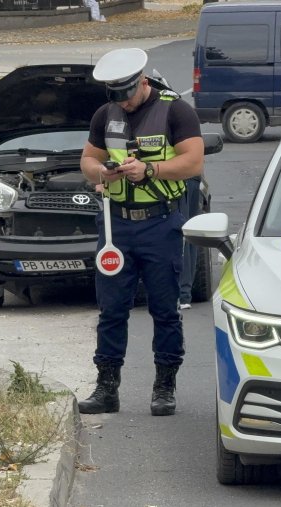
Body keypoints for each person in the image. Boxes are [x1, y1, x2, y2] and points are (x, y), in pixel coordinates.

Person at [79, 48, 204, 416]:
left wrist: (149, 171)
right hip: (116, 225)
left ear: (143, 82)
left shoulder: (175, 110)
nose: (123, 102)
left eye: (127, 93)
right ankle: (107, 387)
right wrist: (100, 173)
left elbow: (193, 161)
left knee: (164, 309)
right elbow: (88, 158)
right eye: (114, 95)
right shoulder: (106, 114)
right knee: (111, 310)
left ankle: (164, 385)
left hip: (159, 223)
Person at [177, 175, 201, 309]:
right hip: (192, 177)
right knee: (189, 232)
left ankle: (182, 293)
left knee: (180, 232)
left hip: (174, 179)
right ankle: (184, 293)